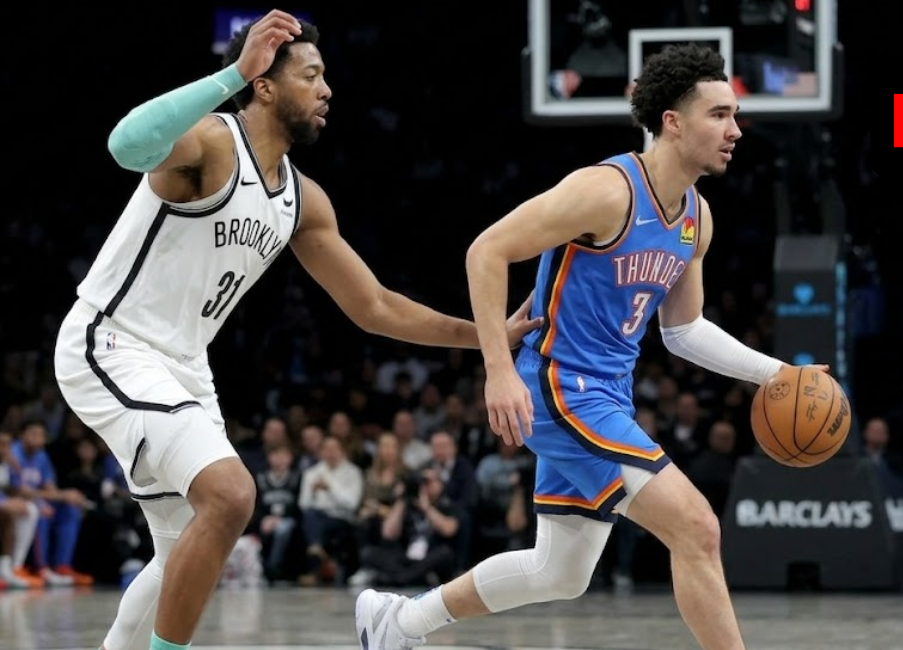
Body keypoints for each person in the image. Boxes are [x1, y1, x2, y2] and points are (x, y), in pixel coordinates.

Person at [52, 10, 538, 650]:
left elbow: (376, 306)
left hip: (185, 366)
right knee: (231, 495)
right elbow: (125, 146)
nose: (326, 90)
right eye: (310, 75)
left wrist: (488, 336)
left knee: (181, 553)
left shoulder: (303, 200)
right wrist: (230, 74)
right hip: (113, 343)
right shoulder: (211, 144)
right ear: (264, 85)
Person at [357, 43, 827, 650]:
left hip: (606, 395)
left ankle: (397, 623)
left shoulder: (696, 218)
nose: (735, 130)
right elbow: (487, 251)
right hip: (559, 387)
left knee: (561, 572)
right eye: (719, 114)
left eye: (734, 115)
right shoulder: (606, 191)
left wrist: (777, 373)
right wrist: (498, 370)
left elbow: (683, 331)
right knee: (696, 528)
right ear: (673, 122)